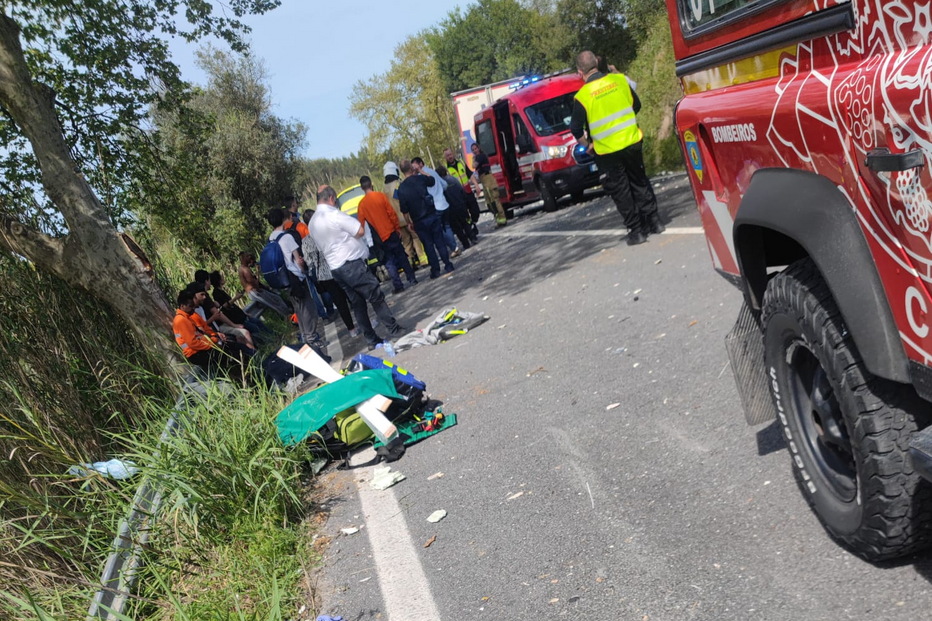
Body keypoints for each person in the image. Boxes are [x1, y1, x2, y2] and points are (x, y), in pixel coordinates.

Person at [570, 50, 661, 246]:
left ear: (580, 72)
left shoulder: (582, 97)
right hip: (631, 141)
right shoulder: (620, 81)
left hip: (606, 151)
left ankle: (636, 232)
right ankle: (655, 221)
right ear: (597, 62)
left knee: (621, 191)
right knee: (639, 181)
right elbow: (636, 105)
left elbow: (575, 128)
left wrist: (588, 146)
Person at [308, 185, 407, 350]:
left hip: (336, 269)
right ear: (332, 198)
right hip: (351, 264)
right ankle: (394, 329)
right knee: (375, 295)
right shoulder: (334, 214)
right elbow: (359, 230)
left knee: (357, 304)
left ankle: (371, 339)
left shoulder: (312, 222)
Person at [267, 207, 326, 356]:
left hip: (284, 280)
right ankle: (312, 339)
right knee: (309, 309)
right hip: (296, 278)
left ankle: (306, 339)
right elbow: (298, 259)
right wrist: (304, 271)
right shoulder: (286, 237)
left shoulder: (271, 238)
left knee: (299, 311)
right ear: (282, 219)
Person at [357, 175, 418, 294]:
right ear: (371, 184)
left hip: (379, 238)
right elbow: (391, 213)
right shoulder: (380, 196)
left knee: (388, 261)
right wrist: (397, 228)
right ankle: (412, 278)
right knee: (401, 255)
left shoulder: (362, 205)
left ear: (362, 188)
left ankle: (398, 285)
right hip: (391, 232)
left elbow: (361, 224)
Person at [302, 209, 357, 337]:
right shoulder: (326, 232)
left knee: (340, 303)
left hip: (324, 276)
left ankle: (352, 329)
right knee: (352, 296)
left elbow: (309, 263)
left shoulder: (305, 242)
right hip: (338, 267)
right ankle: (363, 323)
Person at [397, 159, 455, 279]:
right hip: (431, 214)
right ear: (411, 168)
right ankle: (448, 264)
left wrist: (408, 222)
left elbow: (404, 210)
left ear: (402, 172)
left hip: (418, 220)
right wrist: (420, 171)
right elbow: (432, 181)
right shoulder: (419, 178)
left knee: (428, 246)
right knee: (439, 241)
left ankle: (435, 270)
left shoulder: (401, 188)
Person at [173, 289, 250, 375]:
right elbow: (193, 343)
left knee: (233, 347)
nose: (193, 309)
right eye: (191, 306)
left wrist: (215, 338)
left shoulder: (186, 317)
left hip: (201, 349)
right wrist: (214, 343)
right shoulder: (181, 320)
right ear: (183, 306)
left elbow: (202, 333)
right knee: (231, 355)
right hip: (196, 353)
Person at [191, 271, 256, 351]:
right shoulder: (205, 300)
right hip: (216, 328)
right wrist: (233, 325)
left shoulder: (203, 302)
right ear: (206, 281)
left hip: (217, 327)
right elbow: (218, 314)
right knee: (244, 333)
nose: (204, 297)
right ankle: (254, 354)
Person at [411, 157, 460, 255]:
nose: (413, 169)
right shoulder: (432, 171)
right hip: (444, 203)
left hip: (435, 206)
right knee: (447, 226)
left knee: (440, 229)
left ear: (420, 164)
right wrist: (439, 192)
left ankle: (452, 248)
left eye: (414, 166)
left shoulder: (422, 176)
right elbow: (445, 184)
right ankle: (454, 247)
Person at [209, 271, 272, 339]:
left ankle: (273, 335)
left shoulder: (220, 291)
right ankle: (268, 341)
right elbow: (224, 306)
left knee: (258, 323)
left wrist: (245, 313)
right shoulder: (216, 293)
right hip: (237, 318)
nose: (223, 278)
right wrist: (235, 298)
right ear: (218, 280)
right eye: (221, 278)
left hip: (241, 315)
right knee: (255, 329)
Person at [384, 161, 424, 268]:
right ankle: (423, 259)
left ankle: (411, 263)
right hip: (406, 218)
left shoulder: (384, 189)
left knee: (406, 243)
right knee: (416, 238)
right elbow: (403, 199)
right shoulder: (397, 184)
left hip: (396, 222)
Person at [238, 252, 292, 318]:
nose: (249, 257)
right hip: (255, 291)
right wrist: (257, 272)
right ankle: (288, 316)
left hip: (255, 290)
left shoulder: (242, 268)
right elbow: (254, 283)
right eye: (247, 256)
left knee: (277, 298)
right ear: (243, 259)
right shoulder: (245, 270)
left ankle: (288, 313)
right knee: (274, 303)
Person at [438, 166, 478, 249]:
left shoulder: (440, 185)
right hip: (460, 205)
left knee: (457, 228)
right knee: (465, 223)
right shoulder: (453, 179)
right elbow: (462, 190)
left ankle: (465, 243)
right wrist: (464, 202)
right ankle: (472, 237)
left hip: (450, 209)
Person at [444, 147, 481, 233]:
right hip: (458, 196)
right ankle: (471, 230)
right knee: (465, 215)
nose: (450, 157)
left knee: (475, 211)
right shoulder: (446, 169)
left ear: (453, 154)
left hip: (467, 191)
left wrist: (476, 185)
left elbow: (470, 174)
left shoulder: (461, 162)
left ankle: (473, 222)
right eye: (447, 156)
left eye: (450, 154)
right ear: (445, 158)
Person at [470, 143, 507, 227]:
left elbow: (473, 165)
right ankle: (498, 219)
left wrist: (473, 159)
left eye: (475, 149)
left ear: (479, 148)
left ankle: (502, 219)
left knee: (494, 199)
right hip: (483, 180)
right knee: (489, 202)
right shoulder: (478, 157)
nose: (475, 151)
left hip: (488, 178)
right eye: (473, 150)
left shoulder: (481, 156)